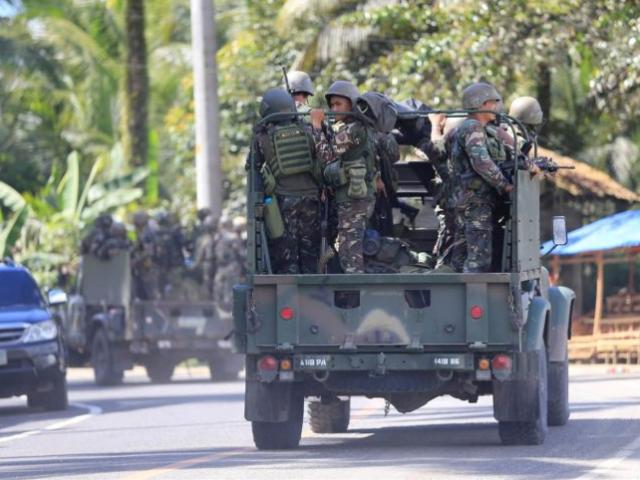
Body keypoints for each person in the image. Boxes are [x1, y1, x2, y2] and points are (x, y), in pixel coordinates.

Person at [310, 80, 378, 274]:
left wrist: (316, 125)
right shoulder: (350, 127)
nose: (333, 108)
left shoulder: (355, 128)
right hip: (350, 199)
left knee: (351, 255)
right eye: (331, 104)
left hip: (354, 200)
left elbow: (327, 155)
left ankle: (357, 297)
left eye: (338, 104)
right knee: (346, 248)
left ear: (352, 104)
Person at [254, 87, 322, 274]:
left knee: (286, 257)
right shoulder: (308, 130)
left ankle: (289, 296)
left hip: (283, 201)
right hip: (311, 200)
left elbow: (252, 168)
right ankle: (313, 297)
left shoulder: (262, 137)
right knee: (310, 255)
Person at [448, 82, 513, 273]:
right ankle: (472, 299)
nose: (495, 107)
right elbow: (481, 162)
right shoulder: (473, 126)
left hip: (466, 200)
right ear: (481, 103)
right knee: (478, 261)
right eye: (492, 103)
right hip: (475, 202)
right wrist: (504, 184)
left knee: (459, 259)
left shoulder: (470, 127)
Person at [419, 114, 465, 267]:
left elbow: (434, 146)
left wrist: (435, 124)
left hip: (453, 207)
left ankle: (446, 268)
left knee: (450, 242)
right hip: (462, 205)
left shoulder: (446, 151)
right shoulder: (466, 148)